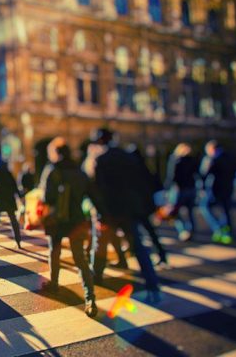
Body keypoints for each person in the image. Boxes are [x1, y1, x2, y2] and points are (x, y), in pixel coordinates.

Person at [88, 128, 160, 302]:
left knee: (100, 247)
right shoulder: (128, 157)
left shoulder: (100, 160)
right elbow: (141, 182)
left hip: (108, 211)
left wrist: (99, 212)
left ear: (99, 142)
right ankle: (153, 286)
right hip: (129, 210)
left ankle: (95, 278)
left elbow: (97, 189)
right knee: (139, 248)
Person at [41, 138, 97, 317]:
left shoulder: (52, 170)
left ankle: (54, 284)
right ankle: (90, 298)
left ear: (55, 153)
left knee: (54, 252)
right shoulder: (79, 171)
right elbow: (90, 193)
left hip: (57, 220)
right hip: (77, 220)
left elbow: (47, 198)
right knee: (80, 259)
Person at [127, 145, 168, 265]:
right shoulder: (146, 168)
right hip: (146, 206)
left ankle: (139, 253)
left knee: (137, 233)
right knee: (150, 232)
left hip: (136, 207)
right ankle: (161, 254)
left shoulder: (132, 171)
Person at [199, 140, 236, 244]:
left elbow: (204, 174)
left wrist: (202, 188)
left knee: (205, 206)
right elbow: (234, 171)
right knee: (225, 212)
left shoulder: (212, 159)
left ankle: (218, 228)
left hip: (215, 189)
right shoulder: (230, 157)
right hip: (228, 188)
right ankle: (226, 233)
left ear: (211, 149)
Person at [165, 143, 199, 241]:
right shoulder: (192, 160)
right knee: (190, 212)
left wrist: (166, 189)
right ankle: (190, 230)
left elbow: (171, 176)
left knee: (174, 212)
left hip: (179, 189)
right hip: (191, 188)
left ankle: (183, 230)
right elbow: (197, 174)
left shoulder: (176, 160)